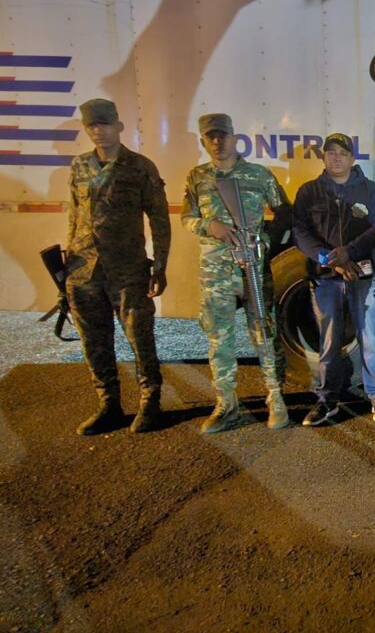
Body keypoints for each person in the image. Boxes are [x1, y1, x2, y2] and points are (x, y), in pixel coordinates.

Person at [181, 113, 293, 433]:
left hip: (253, 269)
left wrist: (265, 241)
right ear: (204, 141)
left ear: (234, 137)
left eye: (222, 135)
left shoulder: (258, 175)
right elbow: (187, 218)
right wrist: (209, 226)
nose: (217, 142)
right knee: (220, 339)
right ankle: (227, 404)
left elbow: (285, 212)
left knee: (264, 334)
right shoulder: (197, 177)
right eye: (210, 137)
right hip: (216, 273)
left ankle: (276, 398)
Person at [65, 98, 170, 435]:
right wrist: (68, 265)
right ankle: (108, 404)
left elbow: (159, 220)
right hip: (84, 271)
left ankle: (150, 402)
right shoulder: (79, 166)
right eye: (92, 126)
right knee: (94, 342)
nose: (98, 131)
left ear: (119, 126)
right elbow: (74, 215)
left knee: (140, 337)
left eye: (105, 124)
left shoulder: (139, 167)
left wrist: (160, 267)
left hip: (127, 269)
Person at [293, 132, 375, 425]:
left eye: (342, 153)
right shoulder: (309, 192)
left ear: (352, 158)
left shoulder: (369, 189)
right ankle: (327, 400)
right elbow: (300, 232)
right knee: (329, 341)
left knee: (369, 337)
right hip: (325, 278)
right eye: (331, 152)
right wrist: (328, 258)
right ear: (324, 157)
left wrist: (348, 252)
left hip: (362, 275)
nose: (336, 158)